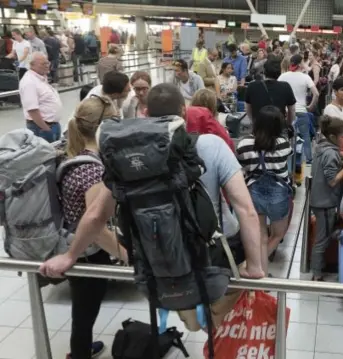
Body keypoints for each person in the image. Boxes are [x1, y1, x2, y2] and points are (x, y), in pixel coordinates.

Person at [39, 83, 265, 279]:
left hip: (158, 259)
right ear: (184, 112)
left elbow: (97, 214)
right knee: (218, 318)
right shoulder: (212, 145)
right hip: (212, 256)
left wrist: (70, 256)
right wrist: (254, 266)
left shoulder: (126, 154)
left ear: (146, 112)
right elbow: (246, 210)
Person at [59, 96, 128, 359]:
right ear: (103, 128)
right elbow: (97, 227)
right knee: (85, 310)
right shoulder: (91, 170)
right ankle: (79, 354)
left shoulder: (79, 156)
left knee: (84, 309)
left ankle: (81, 349)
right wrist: (125, 256)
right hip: (88, 251)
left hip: (78, 245)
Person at [236, 105, 293, 274]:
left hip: (254, 192)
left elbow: (242, 165)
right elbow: (285, 162)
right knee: (278, 235)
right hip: (279, 193)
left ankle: (258, 270)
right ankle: (260, 267)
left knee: (260, 236)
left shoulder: (244, 144)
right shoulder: (283, 144)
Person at [309, 116, 343, 281]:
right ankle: (316, 273)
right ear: (333, 137)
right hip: (325, 202)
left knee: (324, 236)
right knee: (322, 239)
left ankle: (319, 267)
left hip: (320, 199)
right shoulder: (331, 153)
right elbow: (332, 180)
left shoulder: (321, 147)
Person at [278, 54, 319, 164]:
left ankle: (285, 160)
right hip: (301, 111)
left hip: (287, 112)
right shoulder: (305, 77)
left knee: (286, 137)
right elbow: (316, 93)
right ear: (300, 64)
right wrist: (310, 106)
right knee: (305, 137)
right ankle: (308, 161)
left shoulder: (283, 76)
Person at [19, 52, 62, 143]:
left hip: (52, 125)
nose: (47, 66)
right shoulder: (29, 82)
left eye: (47, 63)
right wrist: (46, 128)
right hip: (41, 129)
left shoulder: (41, 78)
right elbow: (32, 110)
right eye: (43, 64)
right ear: (32, 65)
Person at [245, 58, 296, 124]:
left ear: (264, 71)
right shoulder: (286, 86)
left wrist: (253, 122)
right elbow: (292, 110)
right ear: (280, 71)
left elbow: (248, 108)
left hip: (259, 127)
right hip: (279, 127)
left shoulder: (252, 86)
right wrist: (288, 124)